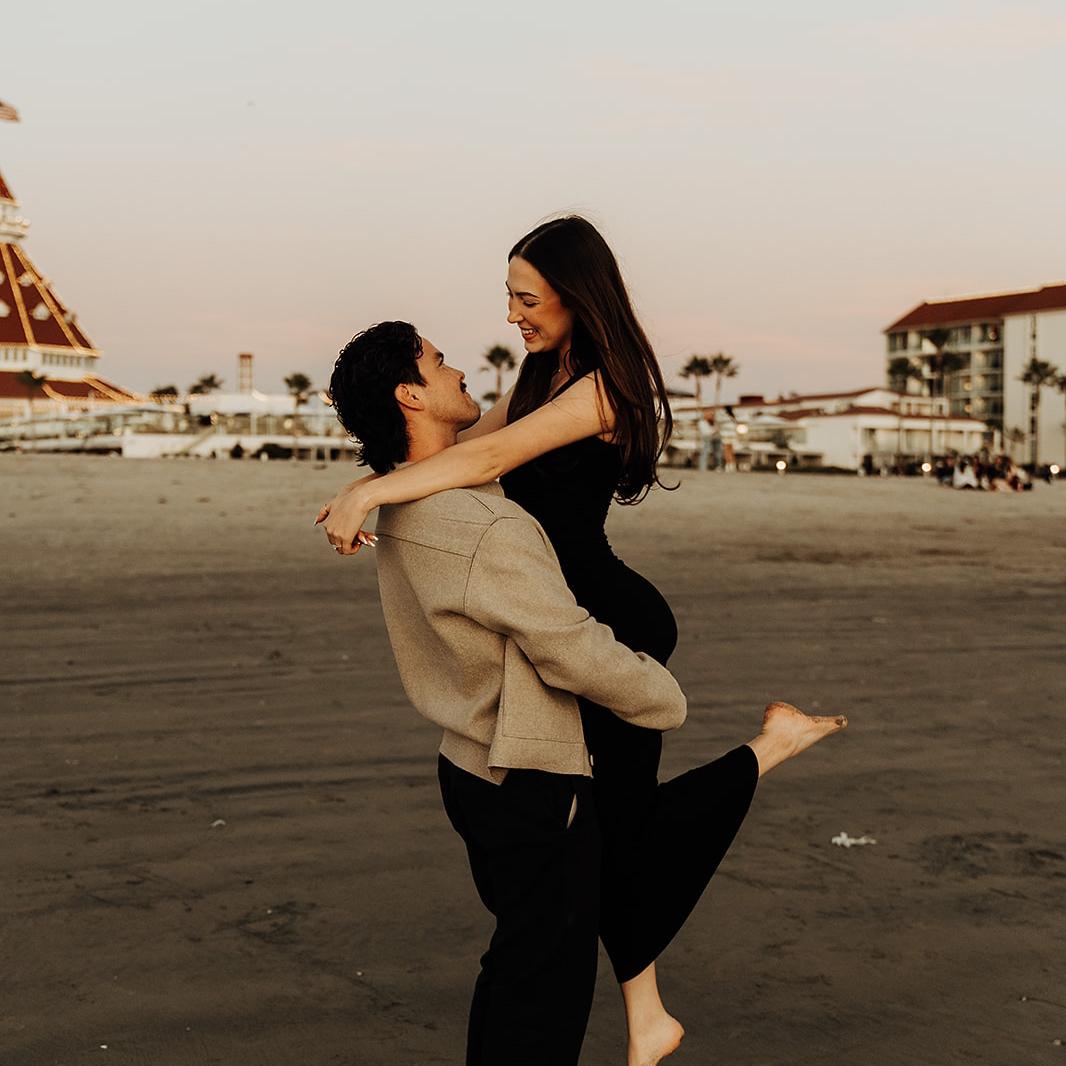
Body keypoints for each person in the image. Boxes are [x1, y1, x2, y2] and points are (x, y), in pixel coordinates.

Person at [318, 219, 847, 1065]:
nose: (512, 315)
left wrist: (367, 493)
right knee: (611, 836)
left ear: (575, 293)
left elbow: (493, 458)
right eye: (509, 297)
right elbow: (465, 447)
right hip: (557, 612)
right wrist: (373, 480)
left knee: (615, 836)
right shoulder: (537, 375)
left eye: (526, 298)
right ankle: (649, 1016)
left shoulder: (606, 386)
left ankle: (767, 752)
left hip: (608, 620)